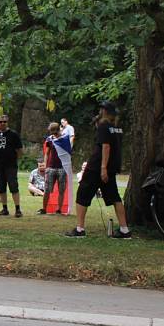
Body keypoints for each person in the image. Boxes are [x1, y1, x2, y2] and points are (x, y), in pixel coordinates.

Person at [67, 102, 131, 238]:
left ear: (105, 112)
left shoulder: (104, 126)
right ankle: (125, 229)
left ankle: (80, 229)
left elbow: (106, 147)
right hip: (112, 167)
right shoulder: (117, 128)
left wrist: (103, 168)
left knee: (82, 194)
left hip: (97, 167)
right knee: (115, 197)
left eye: (102, 110)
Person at [0, 115, 24, 217]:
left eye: (4, 122)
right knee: (1, 187)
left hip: (11, 165)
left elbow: (19, 150)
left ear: (7, 123)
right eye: (0, 122)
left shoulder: (13, 134)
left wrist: (15, 159)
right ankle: (4, 208)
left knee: (13, 186)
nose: (2, 123)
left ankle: (17, 209)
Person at [40, 122, 69, 215]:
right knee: (47, 189)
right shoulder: (50, 139)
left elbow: (68, 153)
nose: (54, 135)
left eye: (55, 133)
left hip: (62, 168)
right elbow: (47, 153)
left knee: (61, 190)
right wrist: (45, 164)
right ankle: (44, 209)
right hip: (51, 167)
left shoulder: (65, 138)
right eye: (52, 133)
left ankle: (59, 210)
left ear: (59, 130)